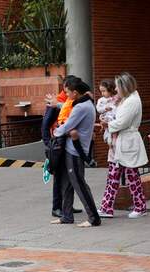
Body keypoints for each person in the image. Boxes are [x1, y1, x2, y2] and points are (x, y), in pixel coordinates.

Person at [50, 79, 100, 227]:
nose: (66, 95)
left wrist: (56, 131)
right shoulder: (86, 104)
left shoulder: (81, 107)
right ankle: (66, 216)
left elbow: (68, 126)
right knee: (67, 184)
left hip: (75, 152)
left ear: (75, 92)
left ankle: (94, 218)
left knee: (79, 185)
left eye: (67, 92)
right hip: (72, 149)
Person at [98, 73, 149, 219]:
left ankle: (138, 207)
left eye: (117, 86)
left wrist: (107, 124)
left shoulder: (131, 101)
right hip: (120, 143)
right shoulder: (127, 99)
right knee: (115, 175)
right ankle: (107, 207)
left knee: (130, 176)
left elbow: (121, 123)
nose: (115, 88)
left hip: (125, 142)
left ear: (123, 87)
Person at [44, 75, 83, 218]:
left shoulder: (69, 101)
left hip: (65, 143)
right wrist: (48, 144)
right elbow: (45, 124)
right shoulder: (57, 101)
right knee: (59, 175)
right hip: (57, 144)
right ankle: (56, 207)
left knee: (67, 175)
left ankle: (68, 205)